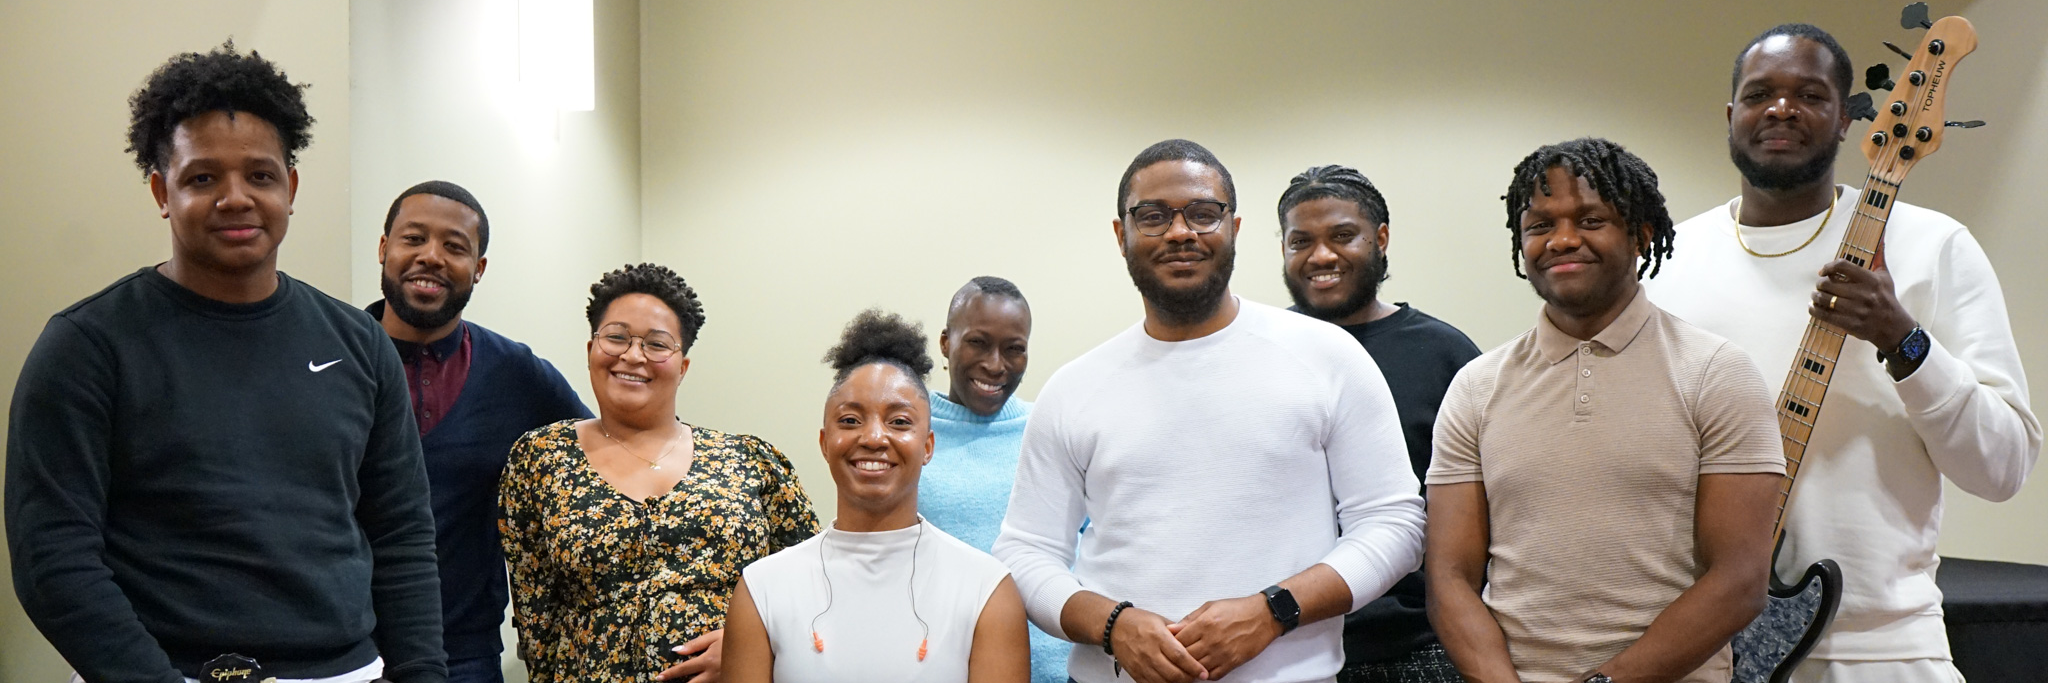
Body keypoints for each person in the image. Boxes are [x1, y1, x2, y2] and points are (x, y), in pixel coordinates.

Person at [6, 43, 445, 683]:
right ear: (162, 190)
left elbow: (403, 537)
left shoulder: (359, 342)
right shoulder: (86, 346)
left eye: (260, 176)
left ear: (290, 188)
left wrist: (422, 673)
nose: (236, 198)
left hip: (343, 671)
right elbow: (52, 558)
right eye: (203, 177)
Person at [1642, 24, 2041, 683]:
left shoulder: (1934, 247)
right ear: (1730, 114)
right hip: (1700, 649)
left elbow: (2001, 468)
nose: (1780, 109)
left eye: (1810, 94)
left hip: (1883, 652)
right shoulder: (1667, 264)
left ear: (1850, 117)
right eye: (1759, 93)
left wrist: (1903, 340)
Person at [993, 139, 1426, 683]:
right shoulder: (1075, 387)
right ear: (1120, 235)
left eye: (1202, 214)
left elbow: (1394, 522)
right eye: (1152, 217)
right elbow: (1024, 551)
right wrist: (1113, 625)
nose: (1180, 232)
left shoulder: (1329, 357)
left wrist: (1274, 611)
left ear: (1235, 230)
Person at [1426, 137, 1784, 683]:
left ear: (1641, 234)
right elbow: (1449, 576)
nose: (1562, 240)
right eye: (1540, 226)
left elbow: (1739, 581)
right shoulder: (1476, 387)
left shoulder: (1717, 372)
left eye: (1590, 220)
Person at [498, 263, 819, 683]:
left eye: (656, 344)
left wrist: (754, 643)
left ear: (682, 367)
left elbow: (815, 586)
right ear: (591, 349)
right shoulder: (539, 460)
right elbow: (537, 615)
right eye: (616, 337)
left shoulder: (752, 461)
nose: (632, 356)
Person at [723, 309, 1031, 683]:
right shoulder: (762, 589)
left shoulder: (987, 589)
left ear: (928, 446)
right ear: (824, 443)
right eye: (850, 420)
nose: (872, 438)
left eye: (899, 422)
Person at [370, 180, 592, 683]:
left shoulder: (518, 374)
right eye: (413, 239)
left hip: (462, 656)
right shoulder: (333, 357)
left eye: (454, 247)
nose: (431, 257)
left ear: (479, 269)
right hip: (341, 650)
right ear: (384, 249)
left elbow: (605, 459)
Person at [1276, 165, 1480, 683]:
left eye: (1342, 236)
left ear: (1381, 239)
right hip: (1278, 643)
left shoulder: (1446, 356)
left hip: (1413, 646)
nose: (1321, 256)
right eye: (1301, 241)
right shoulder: (1257, 351)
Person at [914, 277, 1069, 683]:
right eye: (978, 343)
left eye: (1014, 349)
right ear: (946, 343)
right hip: (942, 669)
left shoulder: (1048, 428)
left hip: (1061, 670)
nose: (995, 364)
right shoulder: (906, 432)